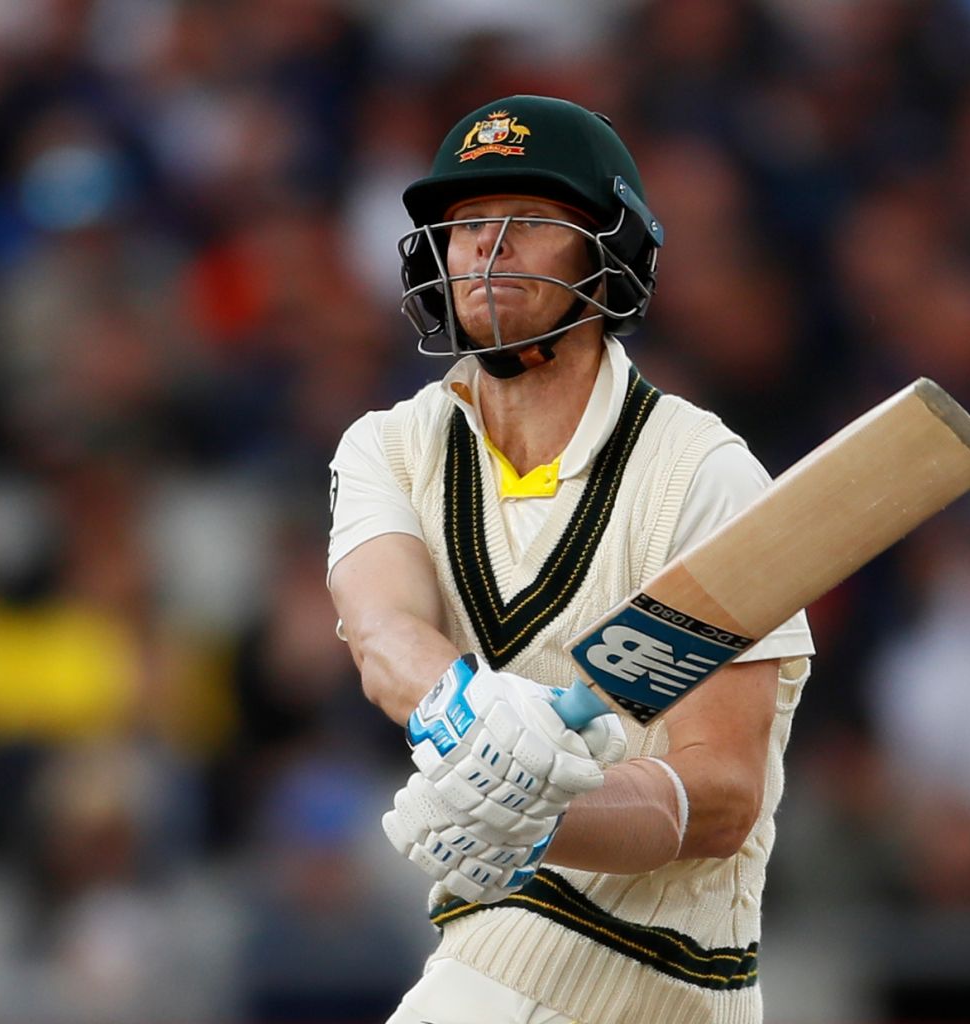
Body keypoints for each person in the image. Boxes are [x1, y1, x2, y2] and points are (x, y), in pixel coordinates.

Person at [327, 95, 813, 1024]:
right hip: (491, 954)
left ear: (608, 254)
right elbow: (385, 632)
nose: (488, 244)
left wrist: (539, 811)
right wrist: (476, 725)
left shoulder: (702, 472)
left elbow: (722, 798)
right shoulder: (389, 447)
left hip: (669, 976)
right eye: (467, 222)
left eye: (530, 219)